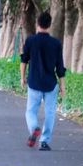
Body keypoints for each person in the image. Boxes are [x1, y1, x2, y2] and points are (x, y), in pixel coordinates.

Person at [20, 10, 66, 151]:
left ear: (37, 24)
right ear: (49, 25)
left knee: (30, 111)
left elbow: (24, 60)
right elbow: (60, 66)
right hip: (50, 84)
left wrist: (22, 78)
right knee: (50, 113)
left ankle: (34, 128)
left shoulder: (30, 40)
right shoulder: (56, 43)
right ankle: (44, 141)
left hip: (34, 82)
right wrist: (63, 86)